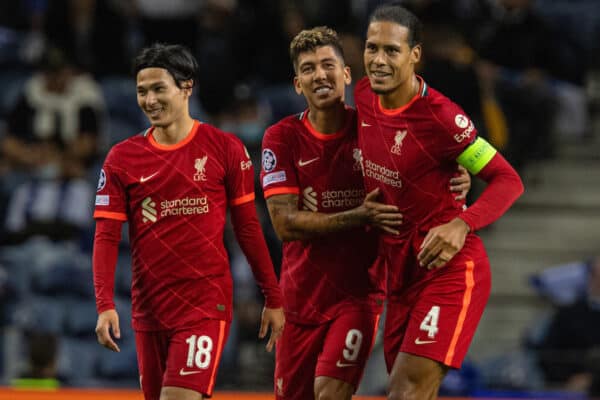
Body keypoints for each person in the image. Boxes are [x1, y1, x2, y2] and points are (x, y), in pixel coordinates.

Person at [260, 27, 471, 400]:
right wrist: (360, 215)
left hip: (359, 297)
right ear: (297, 84)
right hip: (300, 302)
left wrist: (456, 178)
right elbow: (284, 224)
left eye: (328, 65)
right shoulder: (281, 138)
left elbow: (426, 168)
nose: (319, 75)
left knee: (330, 393)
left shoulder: (374, 129)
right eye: (308, 69)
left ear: (346, 74)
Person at [92, 43, 285, 400]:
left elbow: (247, 229)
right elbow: (106, 236)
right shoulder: (122, 158)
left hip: (204, 305)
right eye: (141, 91)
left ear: (186, 88)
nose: (149, 100)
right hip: (148, 311)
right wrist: (104, 304)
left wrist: (273, 297)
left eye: (158, 89)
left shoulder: (225, 149)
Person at [354, 4, 524, 400]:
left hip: (447, 271)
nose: (378, 60)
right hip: (400, 277)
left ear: (415, 55)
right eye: (371, 48)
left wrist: (463, 223)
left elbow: (507, 180)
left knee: (405, 391)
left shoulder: (444, 119)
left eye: (391, 50)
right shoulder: (363, 96)